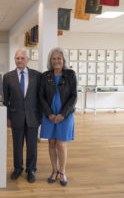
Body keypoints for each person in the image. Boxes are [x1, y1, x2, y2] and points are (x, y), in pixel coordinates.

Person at [39, 47, 77, 186]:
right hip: (49, 114)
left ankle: (62, 172)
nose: (56, 61)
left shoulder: (70, 74)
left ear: (64, 60)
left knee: (61, 144)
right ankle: (54, 171)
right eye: (54, 58)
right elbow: (41, 96)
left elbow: (74, 96)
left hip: (65, 115)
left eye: (59, 58)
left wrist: (62, 114)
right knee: (51, 143)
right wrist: (49, 114)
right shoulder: (45, 76)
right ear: (50, 60)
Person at [3, 49, 41, 183]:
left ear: (27, 60)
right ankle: (18, 168)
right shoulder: (8, 77)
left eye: (22, 58)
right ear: (15, 60)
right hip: (16, 117)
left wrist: (40, 116)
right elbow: (5, 100)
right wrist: (7, 117)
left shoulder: (37, 76)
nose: (20, 60)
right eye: (17, 58)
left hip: (32, 117)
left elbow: (40, 98)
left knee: (32, 146)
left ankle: (31, 169)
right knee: (17, 145)